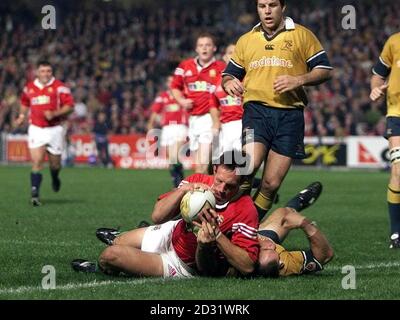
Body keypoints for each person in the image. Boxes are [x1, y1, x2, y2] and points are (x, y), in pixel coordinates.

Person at [222, 0, 333, 221]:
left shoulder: (302, 35)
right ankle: (223, 221)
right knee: (247, 167)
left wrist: (299, 79)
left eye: (272, 5)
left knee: (271, 184)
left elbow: (325, 69)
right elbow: (229, 74)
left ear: (283, 7)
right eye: (262, 6)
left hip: (290, 116)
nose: (267, 10)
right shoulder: (246, 40)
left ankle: (245, 226)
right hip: (256, 112)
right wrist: (228, 82)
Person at [71, 151, 260, 278]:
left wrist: (217, 236)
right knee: (118, 242)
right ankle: (125, 238)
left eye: (230, 186)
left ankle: (99, 269)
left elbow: (248, 266)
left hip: (181, 264)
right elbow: (158, 216)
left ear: (242, 183)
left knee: (111, 255)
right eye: (219, 181)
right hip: (171, 232)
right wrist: (183, 190)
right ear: (216, 168)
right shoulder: (198, 181)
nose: (221, 189)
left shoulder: (245, 209)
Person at [15, 60, 74, 206]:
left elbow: (70, 106)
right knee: (37, 161)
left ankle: (55, 177)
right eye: (42, 71)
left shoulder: (60, 87)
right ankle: (35, 194)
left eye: (48, 71)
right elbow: (24, 103)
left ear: (51, 72)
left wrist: (55, 113)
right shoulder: (29, 88)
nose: (45, 74)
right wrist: (22, 116)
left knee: (55, 165)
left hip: (55, 129)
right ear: (37, 72)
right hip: (36, 128)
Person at [170, 33, 226, 174]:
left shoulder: (220, 67)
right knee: (206, 166)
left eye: (208, 45)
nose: (204, 48)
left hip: (211, 118)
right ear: (196, 49)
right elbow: (175, 87)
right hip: (193, 120)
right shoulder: (185, 66)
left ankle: (197, 193)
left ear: (214, 48)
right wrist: (181, 101)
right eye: (201, 45)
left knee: (201, 165)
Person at [256, 182, 334, 277]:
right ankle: (296, 203)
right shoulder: (283, 262)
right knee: (285, 214)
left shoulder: (236, 256)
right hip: (259, 234)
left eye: (261, 250)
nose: (271, 245)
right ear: (280, 264)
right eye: (275, 250)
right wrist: (306, 225)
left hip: (241, 228)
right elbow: (325, 255)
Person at [370, 32, 400, 248]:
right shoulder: (394, 41)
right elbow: (378, 75)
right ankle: (396, 234)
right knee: (398, 171)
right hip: (397, 115)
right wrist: (375, 88)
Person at [147, 75, 188, 187]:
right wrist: (150, 124)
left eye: (173, 81)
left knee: (175, 156)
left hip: (180, 127)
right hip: (167, 129)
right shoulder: (162, 97)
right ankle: (178, 182)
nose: (171, 83)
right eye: (169, 81)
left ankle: (179, 182)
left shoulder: (183, 95)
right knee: (171, 160)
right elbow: (155, 112)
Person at [210, 43, 244, 154]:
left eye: (236, 53)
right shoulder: (216, 80)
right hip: (225, 126)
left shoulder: (248, 77)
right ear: (224, 57)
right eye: (230, 53)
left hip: (244, 124)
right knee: (222, 164)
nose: (233, 56)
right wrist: (215, 123)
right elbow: (213, 103)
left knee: (245, 165)